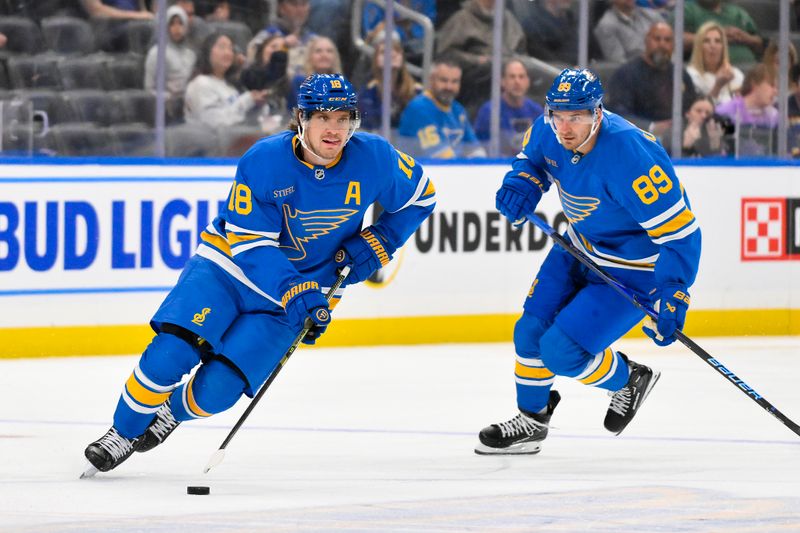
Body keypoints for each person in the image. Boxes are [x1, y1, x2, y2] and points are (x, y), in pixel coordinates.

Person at [81, 73, 436, 475]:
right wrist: (295, 289)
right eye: (323, 117)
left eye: (343, 118)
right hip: (228, 269)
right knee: (171, 353)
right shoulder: (265, 160)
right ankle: (122, 432)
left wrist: (383, 239)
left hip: (303, 291)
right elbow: (251, 244)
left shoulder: (375, 157)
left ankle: (170, 413)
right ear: (301, 118)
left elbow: (422, 195)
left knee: (219, 390)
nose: (334, 129)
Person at [476, 68, 701, 455]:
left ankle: (629, 380)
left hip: (633, 272)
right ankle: (531, 422)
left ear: (597, 113)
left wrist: (674, 289)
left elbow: (680, 233)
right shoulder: (548, 129)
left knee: (561, 352)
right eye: (558, 115)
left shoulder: (632, 155)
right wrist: (522, 184)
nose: (564, 128)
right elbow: (532, 162)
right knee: (529, 331)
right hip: (578, 247)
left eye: (576, 117)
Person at [606, 21, 697, 139]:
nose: (662, 44)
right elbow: (617, 115)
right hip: (640, 138)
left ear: (673, 45)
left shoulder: (680, 74)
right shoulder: (626, 74)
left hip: (680, 137)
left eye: (667, 40)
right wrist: (652, 127)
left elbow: (691, 106)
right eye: (657, 39)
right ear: (646, 41)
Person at [397, 59, 486, 159]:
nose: (449, 87)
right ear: (431, 80)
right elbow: (440, 157)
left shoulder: (458, 110)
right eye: (444, 80)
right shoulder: (419, 108)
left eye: (454, 81)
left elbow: (475, 150)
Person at [183, 33, 267, 128]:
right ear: (207, 52)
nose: (228, 53)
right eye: (222, 47)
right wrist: (247, 100)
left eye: (230, 49)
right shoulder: (200, 83)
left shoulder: (230, 85)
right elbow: (213, 123)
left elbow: (241, 118)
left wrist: (257, 105)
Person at [473, 58, 544, 156]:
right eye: (512, 77)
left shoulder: (537, 112)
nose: (517, 81)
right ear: (502, 81)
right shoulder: (489, 112)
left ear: (528, 81)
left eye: (521, 77)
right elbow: (477, 147)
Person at [357, 33, 422, 131]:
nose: (392, 54)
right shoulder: (367, 93)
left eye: (397, 51)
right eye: (384, 52)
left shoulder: (417, 91)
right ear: (376, 60)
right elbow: (367, 127)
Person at [677, 0, 764, 66]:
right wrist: (718, 36)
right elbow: (677, 40)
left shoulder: (738, 12)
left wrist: (745, 38)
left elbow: (759, 44)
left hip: (751, 69)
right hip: (708, 72)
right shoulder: (686, 10)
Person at [144, 5, 197, 99]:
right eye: (172, 24)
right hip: (164, 103)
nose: (177, 28)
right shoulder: (156, 53)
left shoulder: (191, 55)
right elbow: (149, 89)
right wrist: (170, 98)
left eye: (180, 23)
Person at [686, 21, 743, 105]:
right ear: (699, 47)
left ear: (723, 47)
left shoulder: (736, 75)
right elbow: (700, 110)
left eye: (717, 41)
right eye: (706, 41)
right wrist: (718, 86)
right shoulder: (691, 75)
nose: (713, 46)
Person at [594, 0, 664, 65]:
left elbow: (669, 42)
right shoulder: (606, 26)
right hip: (640, 70)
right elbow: (619, 64)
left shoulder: (650, 15)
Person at [285, 35, 342, 111]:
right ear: (310, 56)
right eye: (318, 51)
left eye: (329, 51)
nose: (324, 55)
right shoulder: (300, 81)